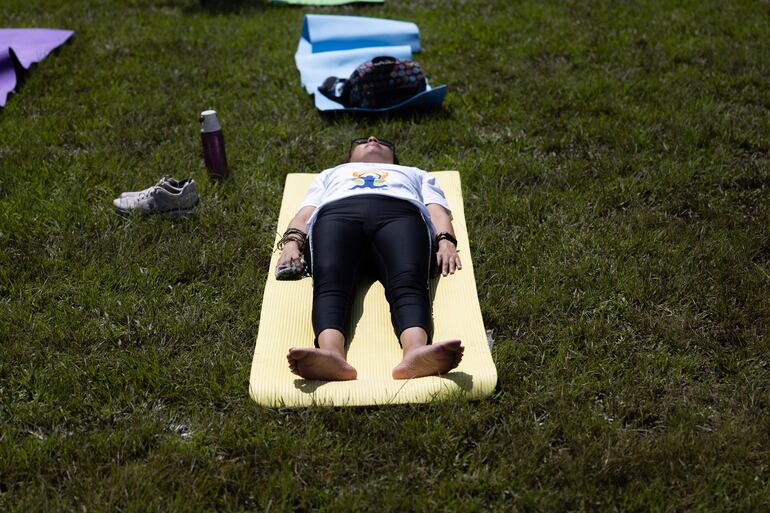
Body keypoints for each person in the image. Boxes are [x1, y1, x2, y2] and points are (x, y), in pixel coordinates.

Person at [276, 136, 464, 381]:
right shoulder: (332, 173)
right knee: (330, 279)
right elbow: (305, 213)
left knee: (409, 280)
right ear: (350, 157)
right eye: (362, 140)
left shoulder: (414, 173)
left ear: (394, 158)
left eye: (385, 141)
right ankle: (330, 355)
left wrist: (446, 240)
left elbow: (436, 208)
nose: (373, 139)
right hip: (338, 214)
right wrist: (291, 243)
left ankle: (416, 352)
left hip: (400, 214)